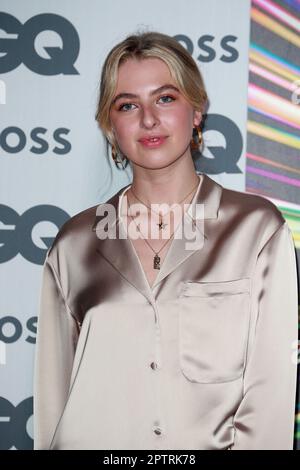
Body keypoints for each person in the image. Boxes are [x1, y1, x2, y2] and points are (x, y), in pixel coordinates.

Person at [33, 31, 298, 450]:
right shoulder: (74, 245)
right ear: (109, 123)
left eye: (166, 98)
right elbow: (52, 399)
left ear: (196, 111)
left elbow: (271, 396)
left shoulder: (255, 231)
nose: (149, 119)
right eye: (127, 105)